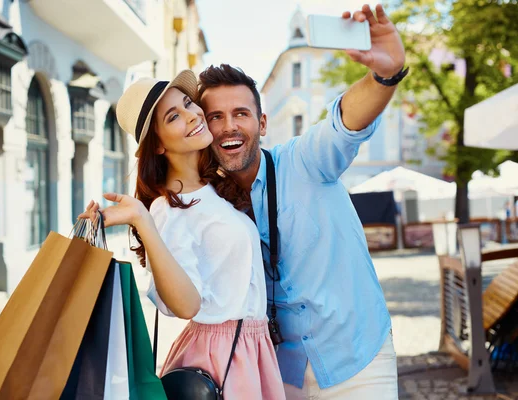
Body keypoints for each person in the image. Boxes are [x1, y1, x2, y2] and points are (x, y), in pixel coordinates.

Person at [197, 4, 404, 399]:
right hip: (279, 369)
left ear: (261, 123)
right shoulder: (211, 201)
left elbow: (344, 125)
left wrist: (384, 75)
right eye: (215, 116)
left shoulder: (305, 161)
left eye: (241, 113)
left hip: (357, 358)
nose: (229, 126)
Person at [81, 69, 285, 399]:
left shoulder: (216, 187)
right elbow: (187, 305)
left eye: (189, 103)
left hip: (248, 347)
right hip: (221, 355)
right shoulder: (168, 209)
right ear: (158, 144)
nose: (193, 116)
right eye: (175, 116)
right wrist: (143, 221)